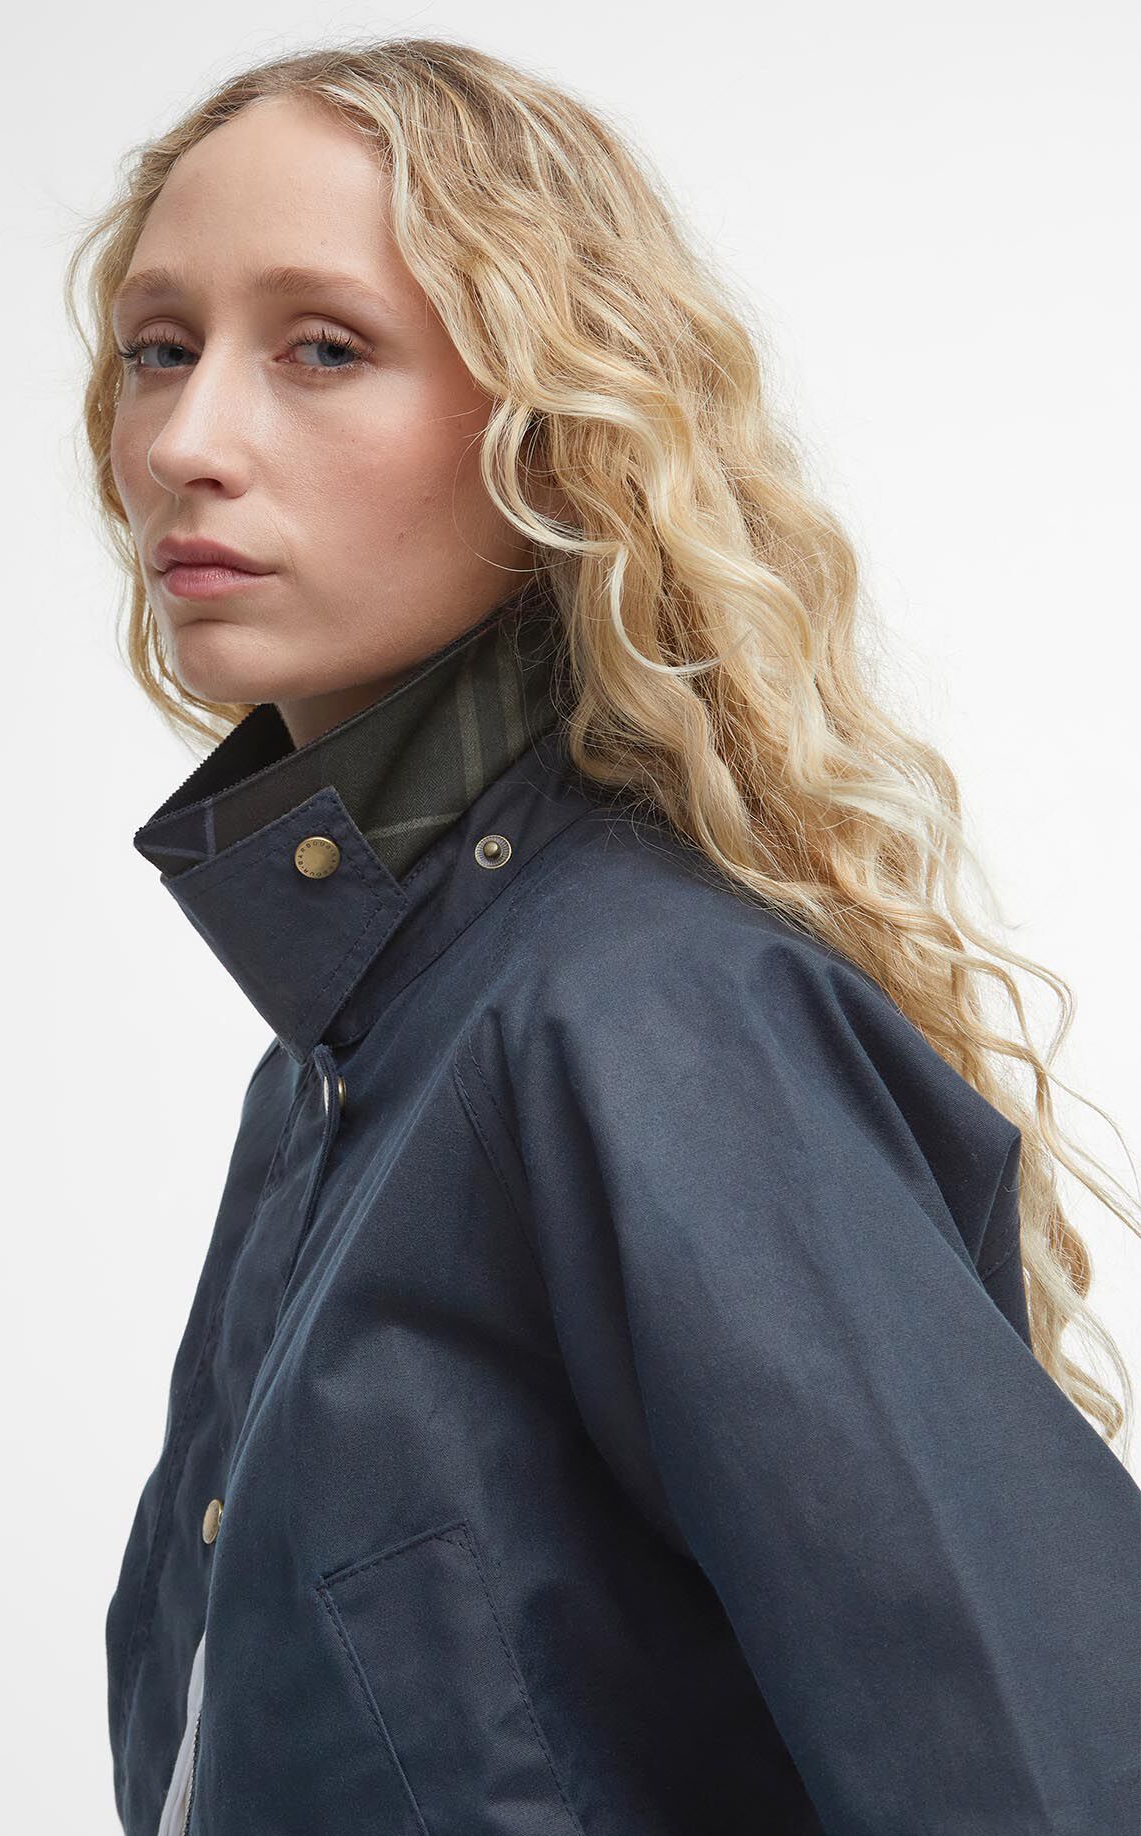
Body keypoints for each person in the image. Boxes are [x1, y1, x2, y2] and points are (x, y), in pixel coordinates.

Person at [64, 36, 1141, 1836]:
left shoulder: (645, 1013)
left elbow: (1041, 1772)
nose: (185, 443)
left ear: (553, 434)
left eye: (322, 349)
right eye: (159, 349)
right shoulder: (351, 1047)